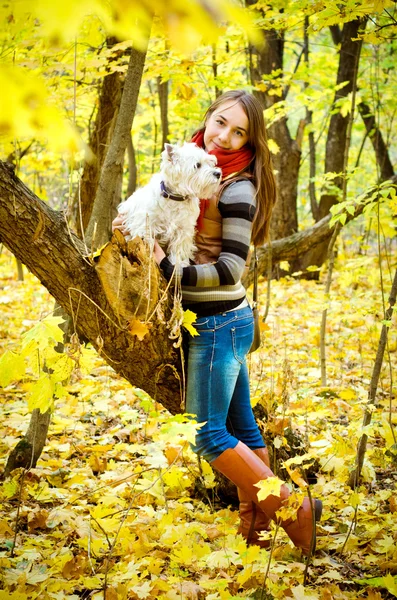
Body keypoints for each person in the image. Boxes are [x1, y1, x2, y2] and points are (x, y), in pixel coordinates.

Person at [113, 90, 321, 555]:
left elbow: (231, 268)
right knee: (244, 430)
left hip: (219, 323)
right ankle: (258, 530)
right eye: (221, 123)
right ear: (208, 118)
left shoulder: (238, 186)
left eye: (239, 131)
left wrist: (168, 268)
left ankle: (294, 510)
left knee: (208, 435)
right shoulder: (190, 171)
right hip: (227, 321)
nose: (224, 136)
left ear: (251, 139)